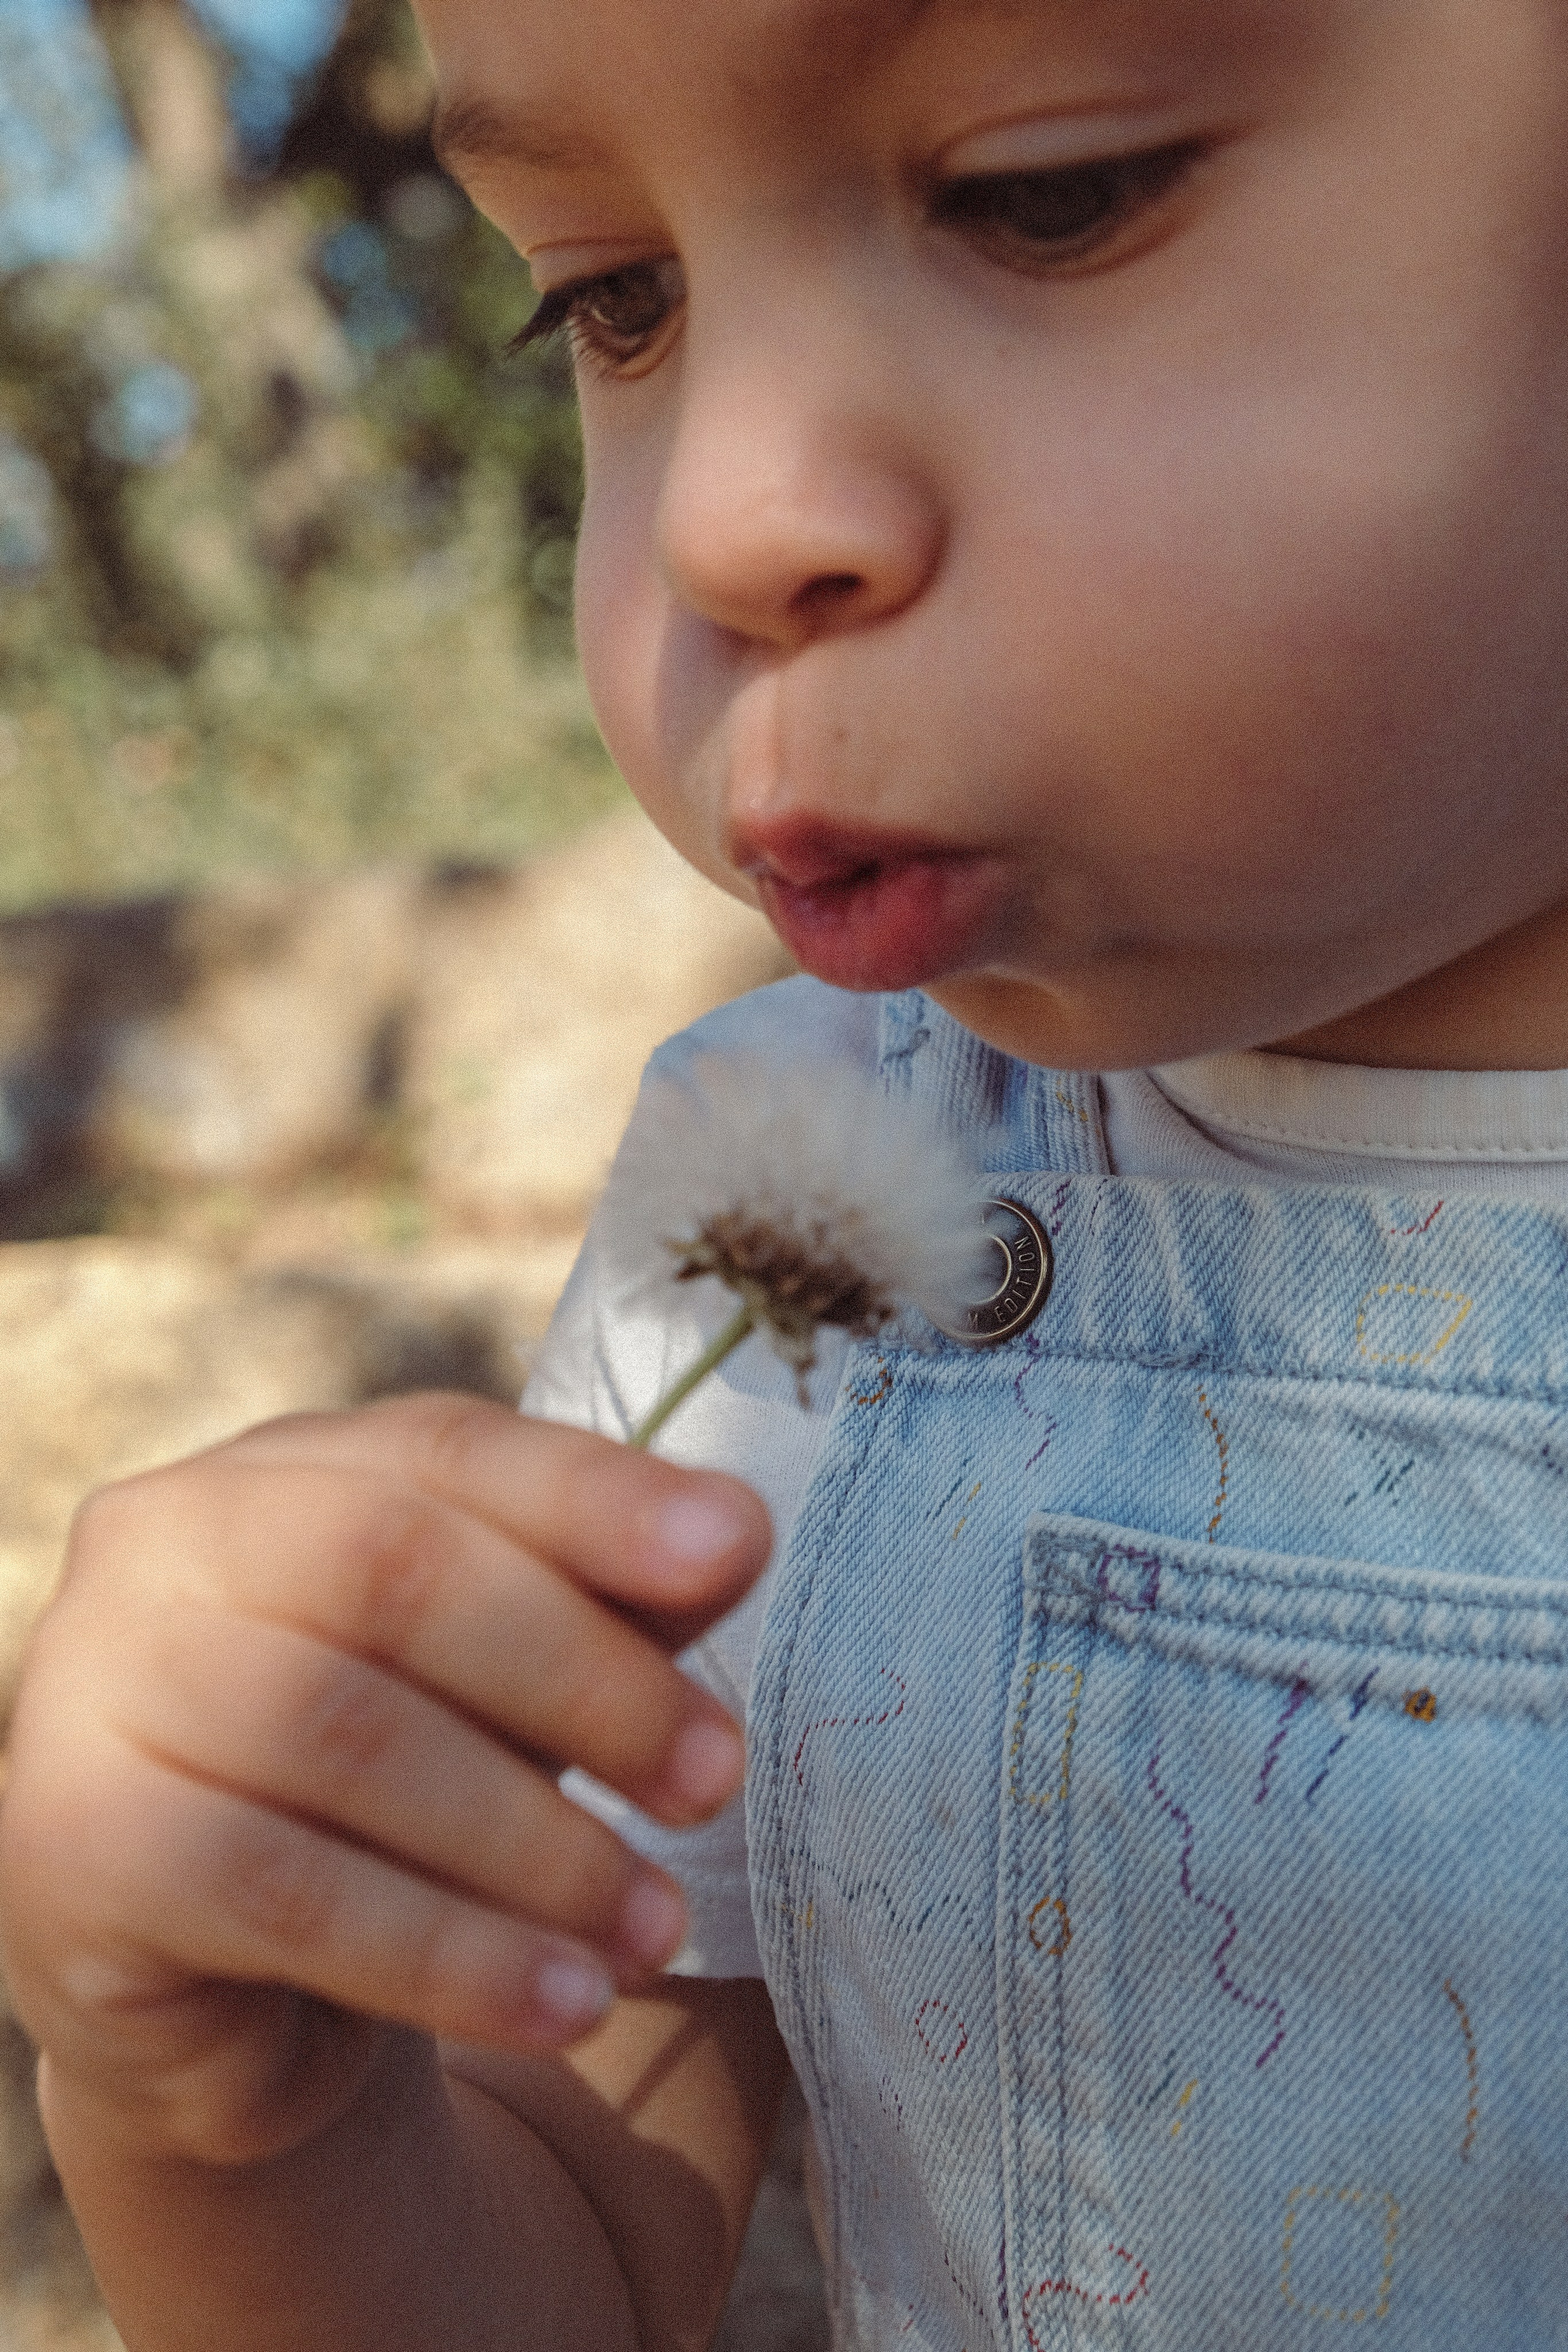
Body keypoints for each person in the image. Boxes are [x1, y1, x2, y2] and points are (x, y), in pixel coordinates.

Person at [6, 0, 1568, 2342]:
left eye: (1052, 187)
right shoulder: (808, 1188)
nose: (731, 514)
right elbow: (578, 2226)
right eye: (611, 299)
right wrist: (248, 2118)